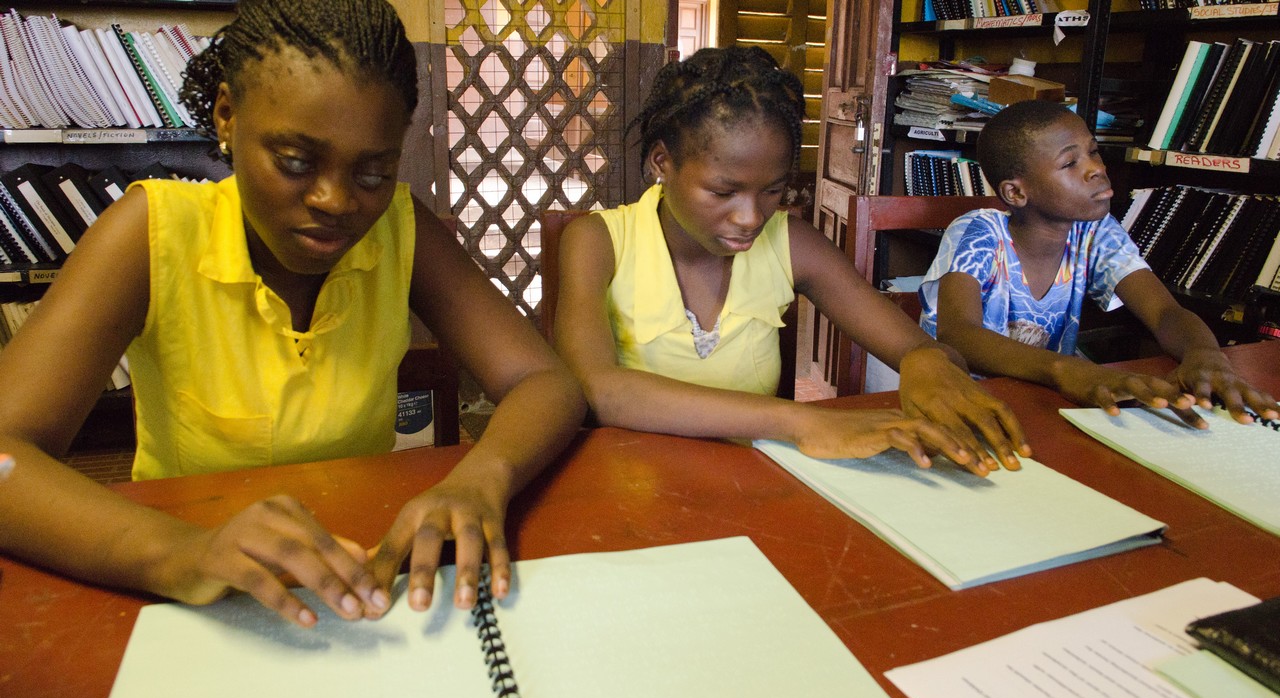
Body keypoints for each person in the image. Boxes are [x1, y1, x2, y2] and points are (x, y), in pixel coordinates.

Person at [0, 0, 585, 628]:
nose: (335, 201)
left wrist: (480, 477)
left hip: (360, 572)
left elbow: (544, 382)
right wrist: (184, 552)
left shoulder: (401, 229)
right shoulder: (152, 233)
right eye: (296, 162)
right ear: (227, 114)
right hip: (190, 585)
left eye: (373, 171)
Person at [553, 46, 1029, 477]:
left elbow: (914, 348)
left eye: (773, 190)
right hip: (626, 484)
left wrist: (927, 360)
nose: (750, 217)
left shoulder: (792, 243)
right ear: (661, 162)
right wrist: (799, 421)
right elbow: (599, 389)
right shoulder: (597, 241)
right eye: (723, 191)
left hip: (749, 482)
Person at [919, 99, 1278, 425]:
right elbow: (959, 334)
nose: (1096, 170)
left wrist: (1205, 354)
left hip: (1044, 399)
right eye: (1070, 163)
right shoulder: (979, 232)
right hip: (960, 403)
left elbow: (1164, 313)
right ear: (1016, 192)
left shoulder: (1094, 232)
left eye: (1094, 152)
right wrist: (1067, 369)